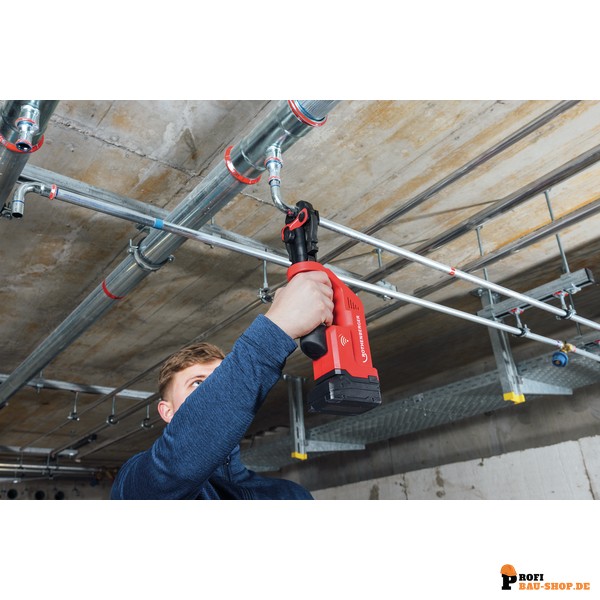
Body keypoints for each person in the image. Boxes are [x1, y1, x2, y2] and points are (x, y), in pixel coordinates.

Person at [110, 271, 334, 500]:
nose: (213, 390)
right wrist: (277, 329)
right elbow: (175, 466)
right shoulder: (136, 483)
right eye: (197, 383)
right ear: (166, 411)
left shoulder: (290, 496)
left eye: (219, 378)